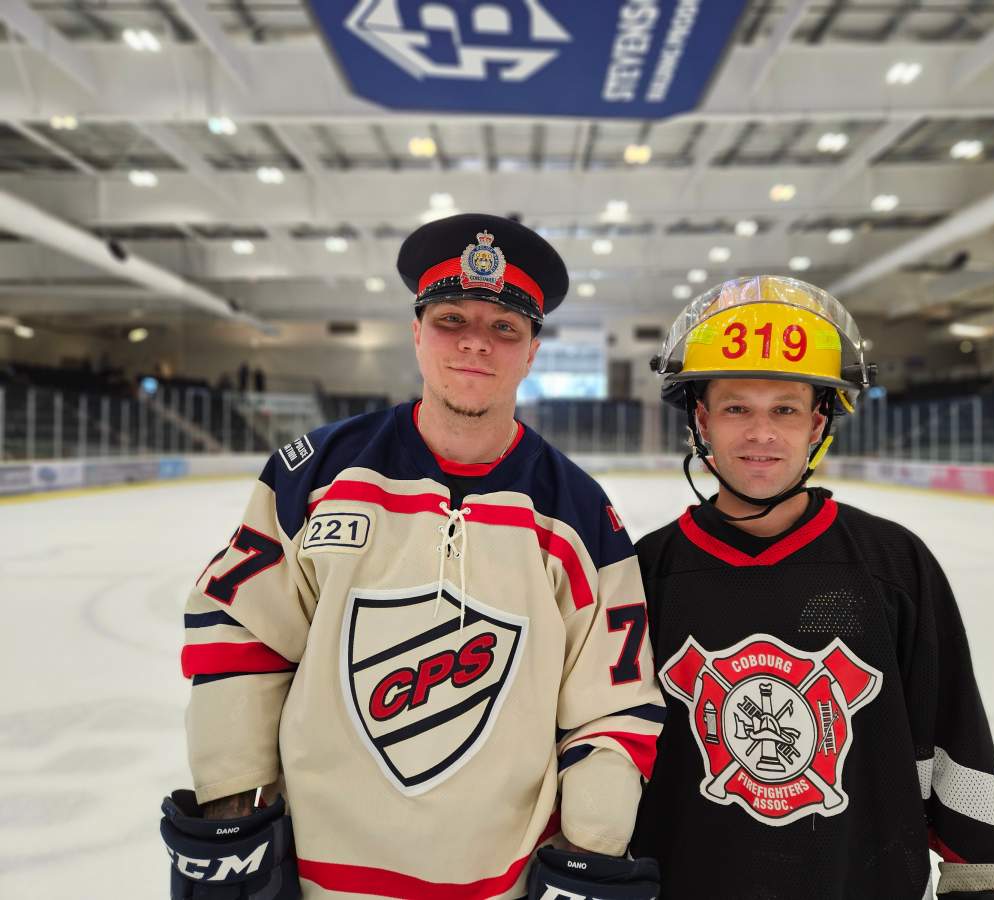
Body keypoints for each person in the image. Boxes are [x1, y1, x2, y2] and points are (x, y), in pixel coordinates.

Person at [161, 214, 664, 899]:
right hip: (317, 880)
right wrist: (230, 808)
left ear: (532, 351)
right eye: (452, 318)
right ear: (417, 331)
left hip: (499, 885)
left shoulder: (577, 512)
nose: (475, 344)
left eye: (504, 328)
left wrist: (591, 851)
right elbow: (241, 631)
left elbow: (612, 706)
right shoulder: (318, 473)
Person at [630, 275, 994, 899]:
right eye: (737, 408)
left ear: (819, 421)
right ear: (702, 421)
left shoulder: (894, 564)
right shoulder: (646, 571)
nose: (761, 434)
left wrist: (982, 876)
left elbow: (954, 728)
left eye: (785, 410)